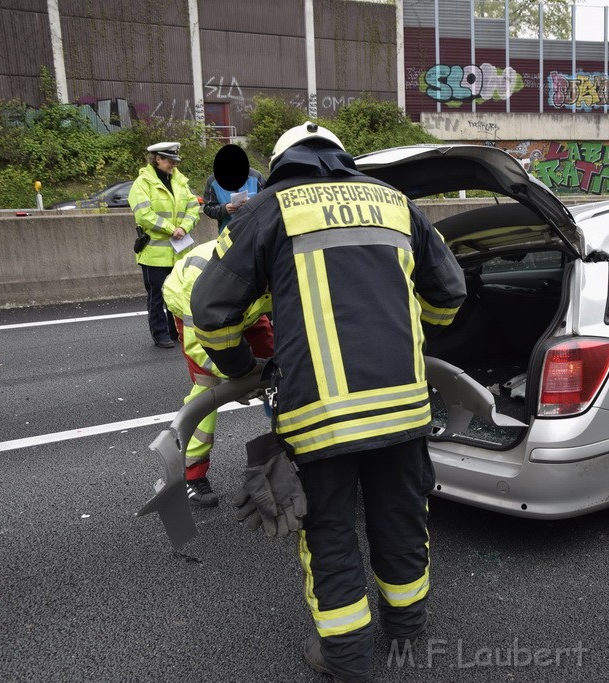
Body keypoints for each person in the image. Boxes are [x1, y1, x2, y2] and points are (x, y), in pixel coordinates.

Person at [190, 122, 466, 682]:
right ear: (342, 157)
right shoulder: (396, 203)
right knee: (401, 516)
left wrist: (244, 370)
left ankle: (344, 658)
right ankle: (407, 626)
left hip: (320, 417)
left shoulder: (267, 211)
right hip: (404, 408)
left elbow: (211, 311)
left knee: (329, 532)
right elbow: (449, 292)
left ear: (283, 161)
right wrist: (414, 343)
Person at [162, 239, 274, 508]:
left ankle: (290, 450)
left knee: (281, 367)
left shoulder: (278, 259)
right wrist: (241, 378)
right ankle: (191, 475)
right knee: (209, 385)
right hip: (198, 307)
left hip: (248, 308)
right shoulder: (200, 283)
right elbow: (207, 352)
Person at [129, 141, 200, 348]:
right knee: (157, 297)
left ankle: (174, 330)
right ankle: (160, 334)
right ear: (157, 159)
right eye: (170, 161)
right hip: (154, 253)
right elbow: (144, 215)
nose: (173, 165)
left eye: (175, 161)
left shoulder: (180, 181)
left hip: (179, 251)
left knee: (177, 293)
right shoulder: (142, 184)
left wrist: (184, 227)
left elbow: (194, 208)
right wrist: (171, 229)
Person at [202, 144, 266, 231]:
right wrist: (224, 209)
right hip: (227, 233)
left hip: (254, 231)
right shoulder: (212, 181)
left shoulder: (257, 177)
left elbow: (269, 203)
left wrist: (252, 204)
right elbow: (208, 208)